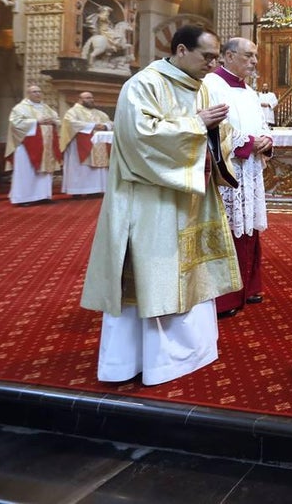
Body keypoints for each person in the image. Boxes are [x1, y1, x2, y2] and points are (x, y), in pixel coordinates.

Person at [80, 24, 240, 385]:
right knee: (154, 276)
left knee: (190, 272)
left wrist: (214, 131)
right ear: (181, 50)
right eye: (208, 57)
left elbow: (214, 137)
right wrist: (198, 124)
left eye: (216, 58)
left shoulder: (201, 87)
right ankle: (148, 361)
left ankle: (191, 351)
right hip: (151, 202)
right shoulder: (143, 84)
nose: (213, 65)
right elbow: (139, 139)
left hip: (190, 200)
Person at [203, 37, 274, 319]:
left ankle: (250, 286)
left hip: (251, 171)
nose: (254, 61)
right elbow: (210, 127)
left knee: (248, 227)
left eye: (255, 56)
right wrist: (246, 144)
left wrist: (267, 140)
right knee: (228, 226)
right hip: (227, 172)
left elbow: (263, 124)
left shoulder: (249, 91)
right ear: (229, 56)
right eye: (248, 56)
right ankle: (225, 296)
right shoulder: (210, 85)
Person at [5, 84, 61, 206]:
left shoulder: (46, 108)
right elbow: (15, 123)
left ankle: (43, 196)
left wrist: (54, 121)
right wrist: (36, 121)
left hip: (46, 145)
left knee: (45, 172)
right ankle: (24, 198)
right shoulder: (20, 108)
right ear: (28, 94)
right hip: (26, 146)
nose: (37, 94)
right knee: (27, 171)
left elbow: (57, 120)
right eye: (34, 92)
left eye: (39, 91)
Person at [60, 92, 112, 197]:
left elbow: (110, 122)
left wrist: (105, 126)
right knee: (81, 168)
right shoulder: (73, 112)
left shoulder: (99, 113)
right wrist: (93, 126)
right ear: (80, 99)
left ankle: (96, 189)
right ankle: (77, 191)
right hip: (80, 145)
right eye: (88, 98)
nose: (91, 100)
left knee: (97, 169)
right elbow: (70, 123)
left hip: (98, 145)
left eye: (92, 98)